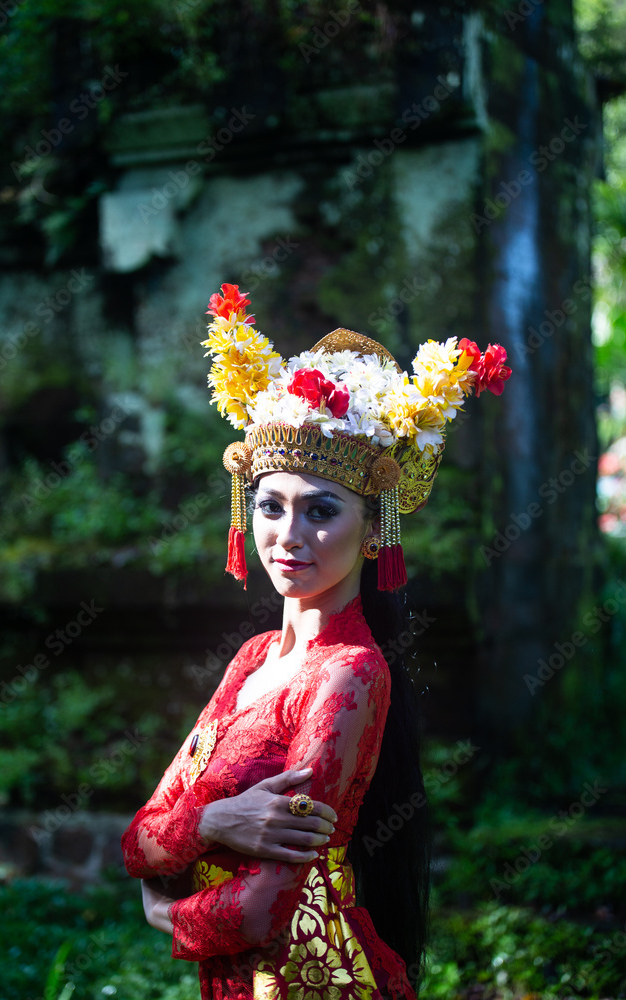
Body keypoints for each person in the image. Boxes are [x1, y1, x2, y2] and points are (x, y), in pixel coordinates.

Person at [121, 284, 511, 999]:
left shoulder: (349, 674)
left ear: (373, 530)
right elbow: (137, 837)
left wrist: (161, 910)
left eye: (321, 511)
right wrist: (216, 819)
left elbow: (262, 909)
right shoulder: (252, 661)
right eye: (270, 506)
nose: (288, 536)